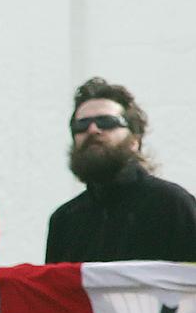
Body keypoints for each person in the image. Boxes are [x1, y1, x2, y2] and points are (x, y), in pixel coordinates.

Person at [45, 77, 196, 263]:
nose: (93, 130)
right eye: (81, 125)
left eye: (107, 122)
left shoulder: (173, 205)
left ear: (135, 140)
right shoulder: (64, 221)